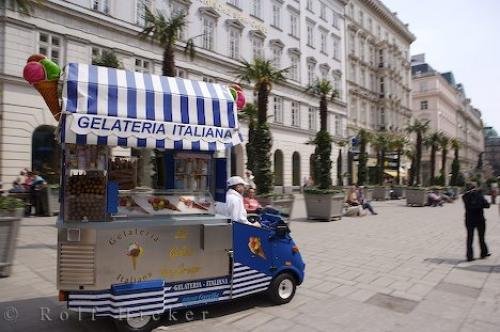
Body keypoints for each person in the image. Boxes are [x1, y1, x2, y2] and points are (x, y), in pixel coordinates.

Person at [462, 183, 491, 262]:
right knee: (481, 237)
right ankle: (483, 253)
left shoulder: (464, 196)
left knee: (469, 238)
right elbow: (487, 205)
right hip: (480, 219)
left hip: (469, 219)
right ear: (474, 188)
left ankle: (469, 256)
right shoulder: (479, 194)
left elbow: (469, 206)